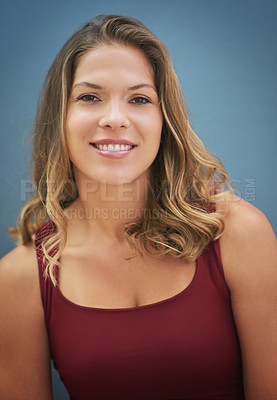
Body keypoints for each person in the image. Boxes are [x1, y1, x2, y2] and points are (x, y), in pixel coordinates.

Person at [0, 14, 276, 400]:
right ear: (59, 117)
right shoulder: (21, 277)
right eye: (89, 97)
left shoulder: (238, 233)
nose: (115, 119)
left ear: (164, 121)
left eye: (140, 99)